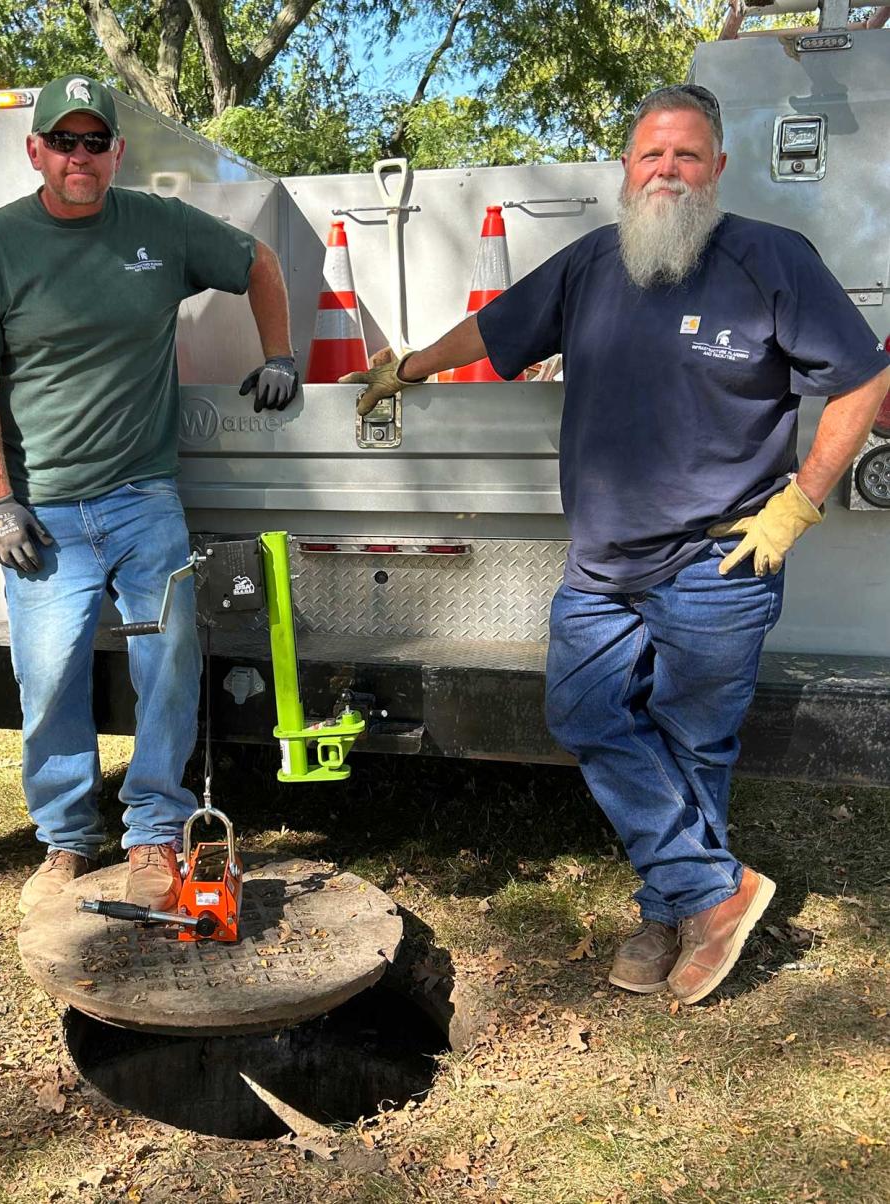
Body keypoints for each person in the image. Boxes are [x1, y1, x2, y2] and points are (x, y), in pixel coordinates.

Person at [346, 84, 890, 1005]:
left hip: (722, 559)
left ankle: (666, 911)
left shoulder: (770, 259)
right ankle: (712, 891)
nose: (668, 171)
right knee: (586, 715)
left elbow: (863, 379)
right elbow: (495, 326)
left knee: (694, 742)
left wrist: (799, 504)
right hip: (602, 562)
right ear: (625, 171)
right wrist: (406, 366)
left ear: (717, 169)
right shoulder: (593, 263)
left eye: (687, 156)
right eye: (651, 155)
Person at [0, 73, 297, 917]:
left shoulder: (159, 227)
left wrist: (281, 354)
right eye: (62, 141)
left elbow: (259, 262)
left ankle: (152, 832)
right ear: (35, 151)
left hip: (145, 497)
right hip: (43, 508)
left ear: (116, 153)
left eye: (93, 141)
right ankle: (65, 839)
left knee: (167, 667)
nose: (78, 155)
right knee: (48, 681)